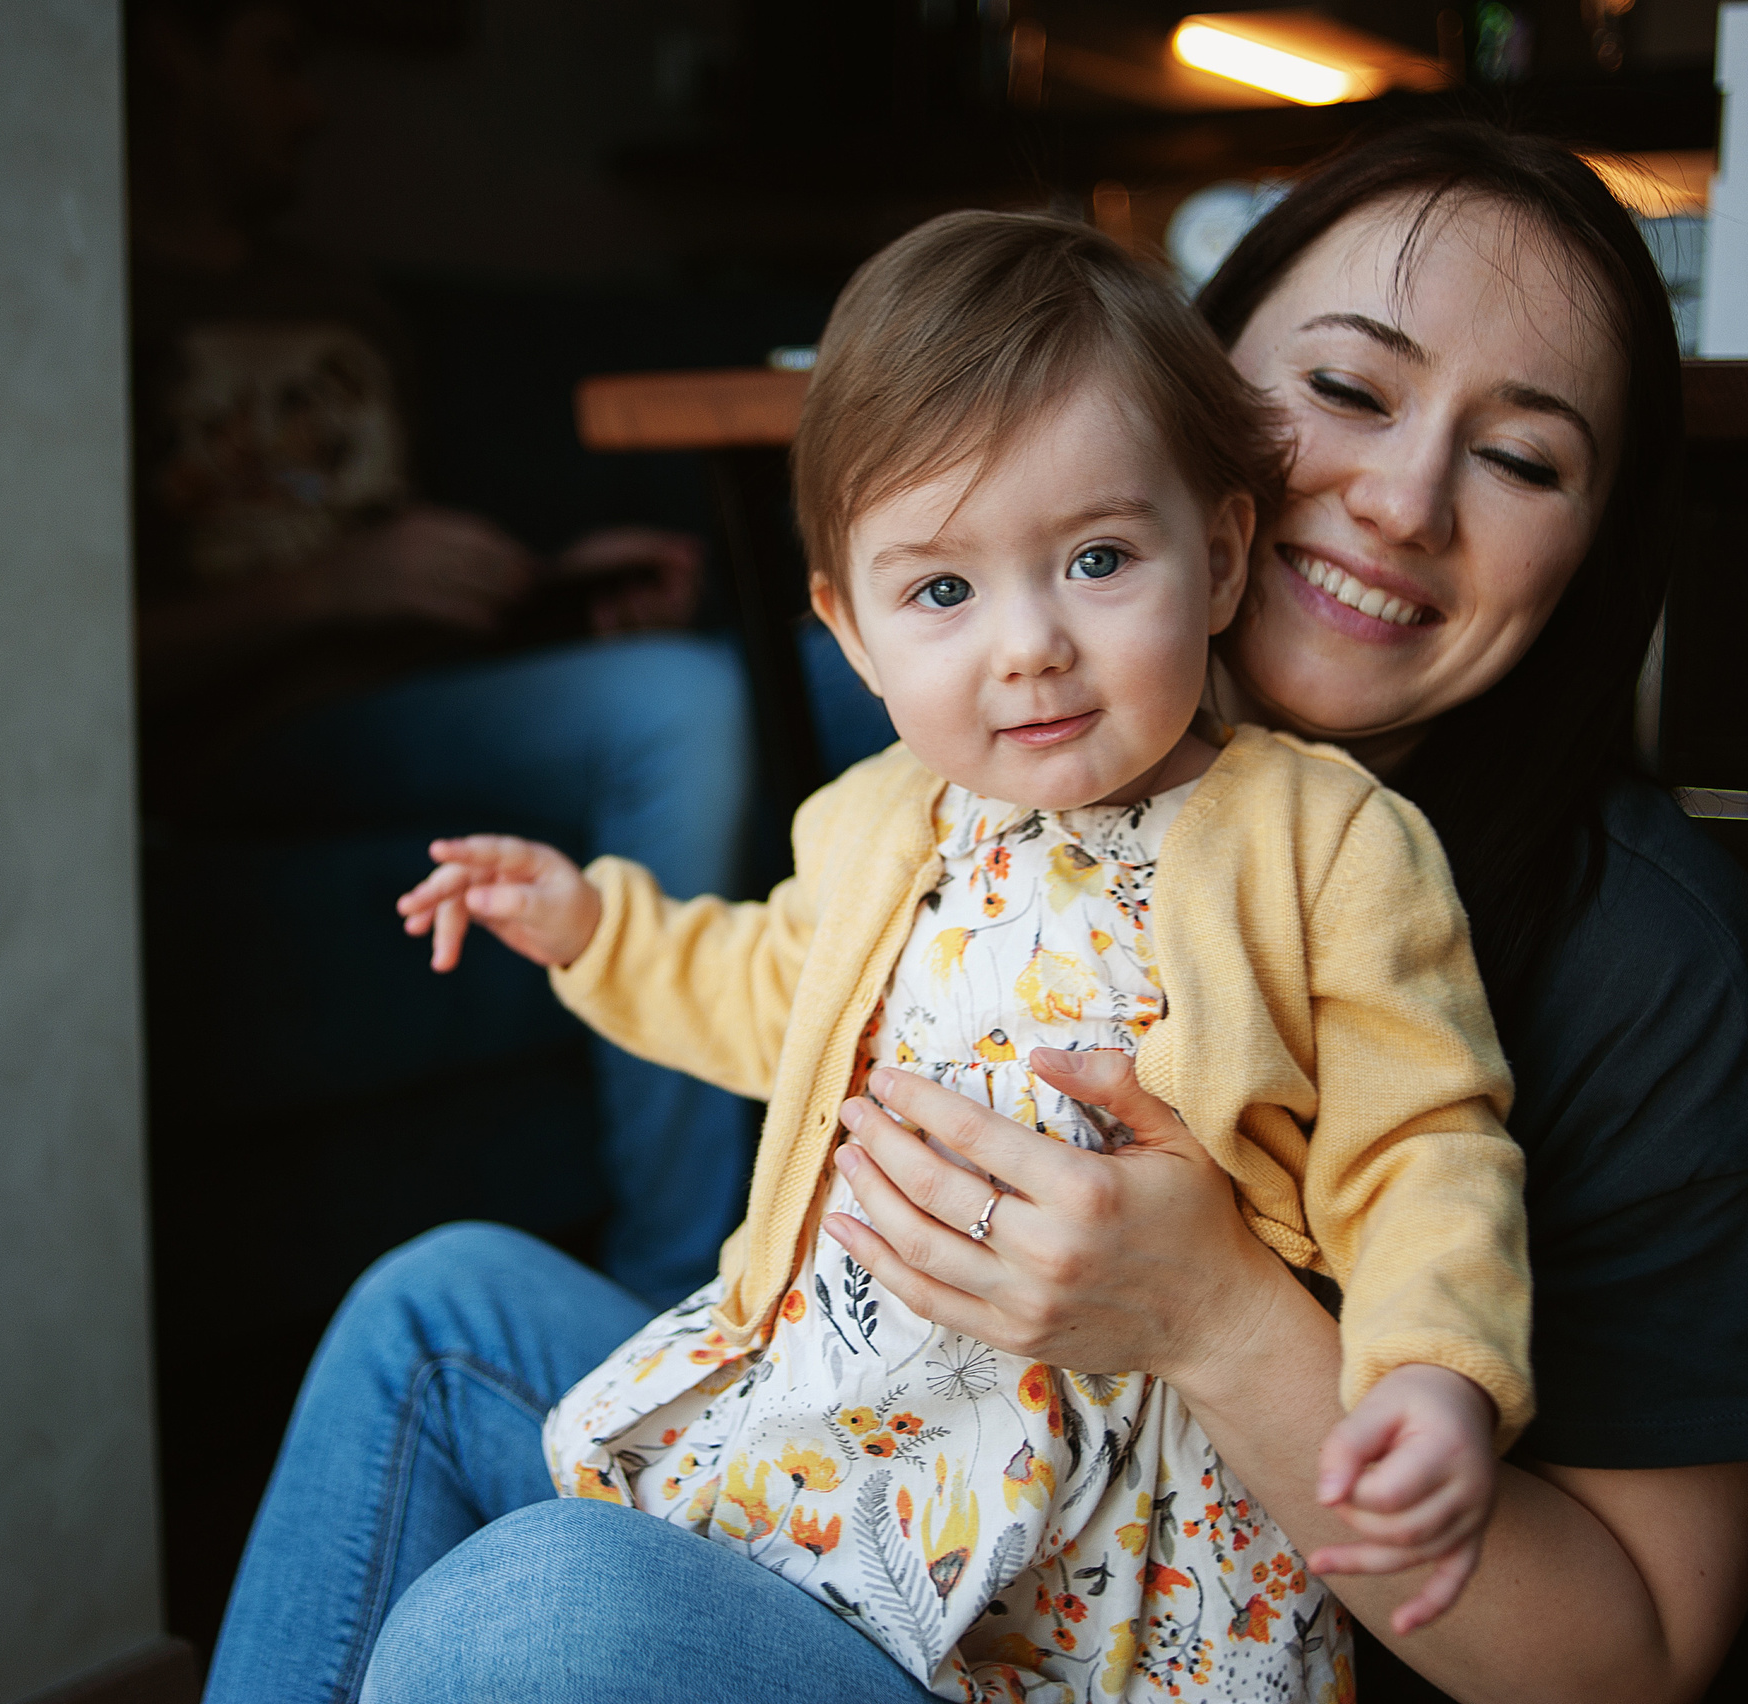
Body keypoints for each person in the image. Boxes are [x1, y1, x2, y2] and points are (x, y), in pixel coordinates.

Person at [204, 124, 1748, 1704]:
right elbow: (781, 975)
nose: (1404, 500)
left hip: (1113, 1607)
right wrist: (597, 930)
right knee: (436, 1314)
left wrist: (1222, 1314)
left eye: (1520, 459)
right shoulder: (931, 799)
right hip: (880, 1466)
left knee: (531, 1614)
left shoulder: (1577, 943)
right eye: (1347, 387)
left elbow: (1443, 1186)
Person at [387, 210, 1534, 1701]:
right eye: (943, 590)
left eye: (1100, 558)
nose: (1029, 645)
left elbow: (1429, 1147)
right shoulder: (871, 822)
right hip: (845, 1462)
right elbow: (768, 995)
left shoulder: (1325, 841)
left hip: (1134, 1556)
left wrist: (1434, 1378)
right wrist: (601, 928)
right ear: (851, 634)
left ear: (1226, 552)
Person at [129, 0, 755, 1304]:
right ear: (173, 53)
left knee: (839, 665)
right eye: (283, 60)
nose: (313, 106)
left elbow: (396, 564)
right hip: (240, 732)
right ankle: (680, 1299)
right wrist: (326, 590)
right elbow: (63, 664)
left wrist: (545, 598)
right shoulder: (101, 303)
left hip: (413, 693)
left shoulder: (332, 297)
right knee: (684, 708)